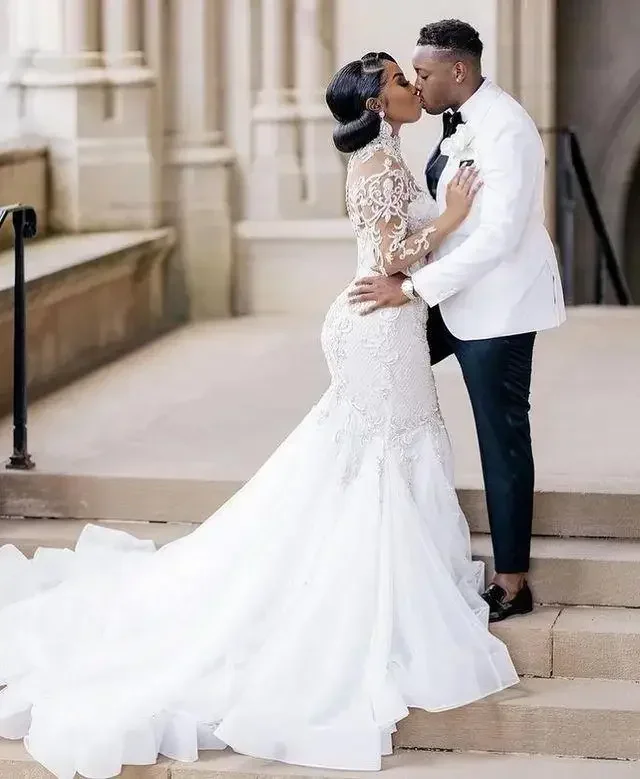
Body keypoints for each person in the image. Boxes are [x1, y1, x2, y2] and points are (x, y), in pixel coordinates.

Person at [0, 51, 518, 779]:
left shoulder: (386, 155)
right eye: (400, 81)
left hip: (386, 327)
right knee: (384, 452)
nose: (410, 87)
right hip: (379, 326)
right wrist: (454, 217)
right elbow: (389, 257)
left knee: (385, 451)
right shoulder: (376, 163)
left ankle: (397, 575)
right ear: (377, 104)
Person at [350, 21, 566, 622]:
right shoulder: (456, 119)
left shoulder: (506, 128)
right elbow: (448, 214)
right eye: (410, 76)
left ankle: (512, 581)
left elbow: (498, 237)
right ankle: (373, 529)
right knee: (375, 372)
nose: (417, 84)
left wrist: (411, 287)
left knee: (501, 437)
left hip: (496, 307)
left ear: (459, 71)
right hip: (450, 298)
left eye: (422, 74)